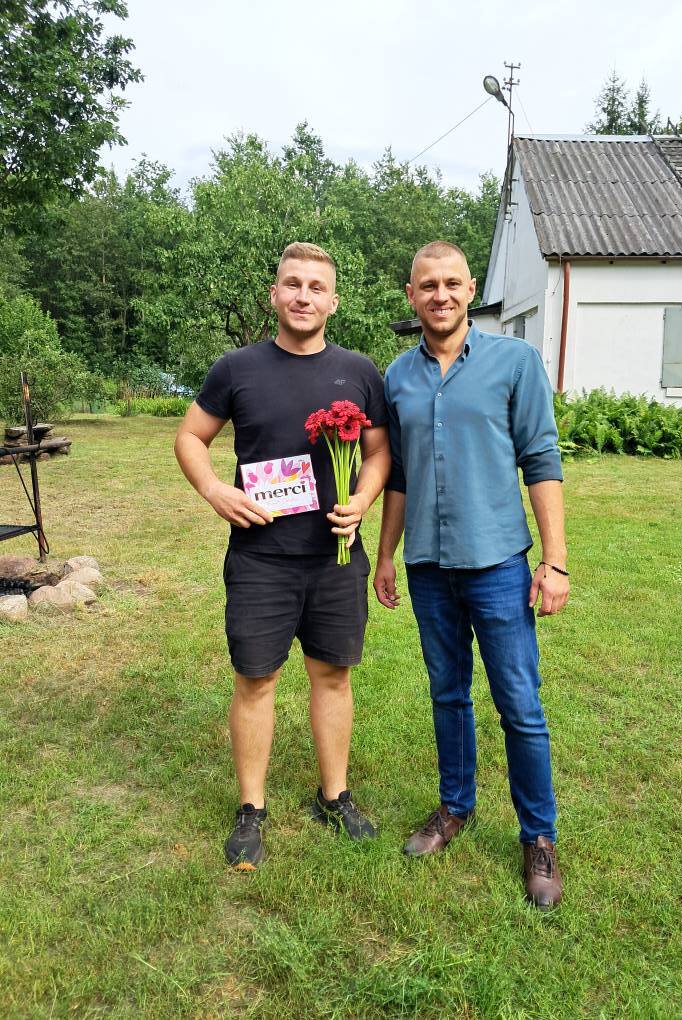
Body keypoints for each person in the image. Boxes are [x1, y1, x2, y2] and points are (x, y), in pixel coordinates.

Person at [175, 242, 390, 870]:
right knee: (256, 679)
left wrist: (363, 500)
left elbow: (379, 452)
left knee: (333, 675)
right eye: (292, 284)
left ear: (333, 301)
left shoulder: (359, 372)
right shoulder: (236, 368)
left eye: (316, 287)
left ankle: (334, 796)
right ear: (274, 295)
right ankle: (251, 808)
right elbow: (190, 436)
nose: (303, 296)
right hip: (260, 559)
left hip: (335, 556)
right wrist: (214, 490)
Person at [373, 241, 569, 910]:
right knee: (447, 694)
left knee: (520, 705)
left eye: (452, 283)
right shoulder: (397, 376)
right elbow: (399, 475)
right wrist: (385, 554)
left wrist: (554, 560)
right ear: (411, 294)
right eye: (427, 285)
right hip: (429, 567)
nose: (441, 295)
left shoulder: (514, 362)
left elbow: (541, 459)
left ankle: (538, 836)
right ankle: (455, 807)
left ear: (471, 287)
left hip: (498, 566)